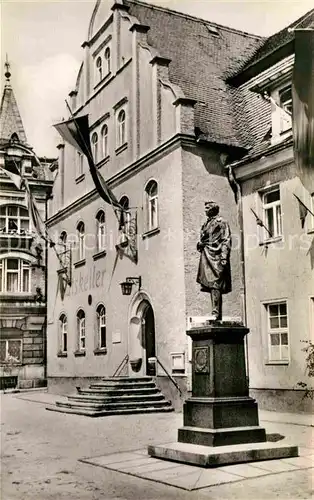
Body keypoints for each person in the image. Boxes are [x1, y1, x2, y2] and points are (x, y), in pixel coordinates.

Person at [196, 201, 232, 321]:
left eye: (207, 208)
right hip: (207, 254)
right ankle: (215, 312)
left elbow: (226, 239)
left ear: (213, 209)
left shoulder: (221, 222)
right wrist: (200, 244)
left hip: (216, 256)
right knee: (211, 285)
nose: (205, 210)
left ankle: (216, 313)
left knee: (216, 284)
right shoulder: (206, 223)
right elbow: (204, 239)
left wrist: (224, 256)